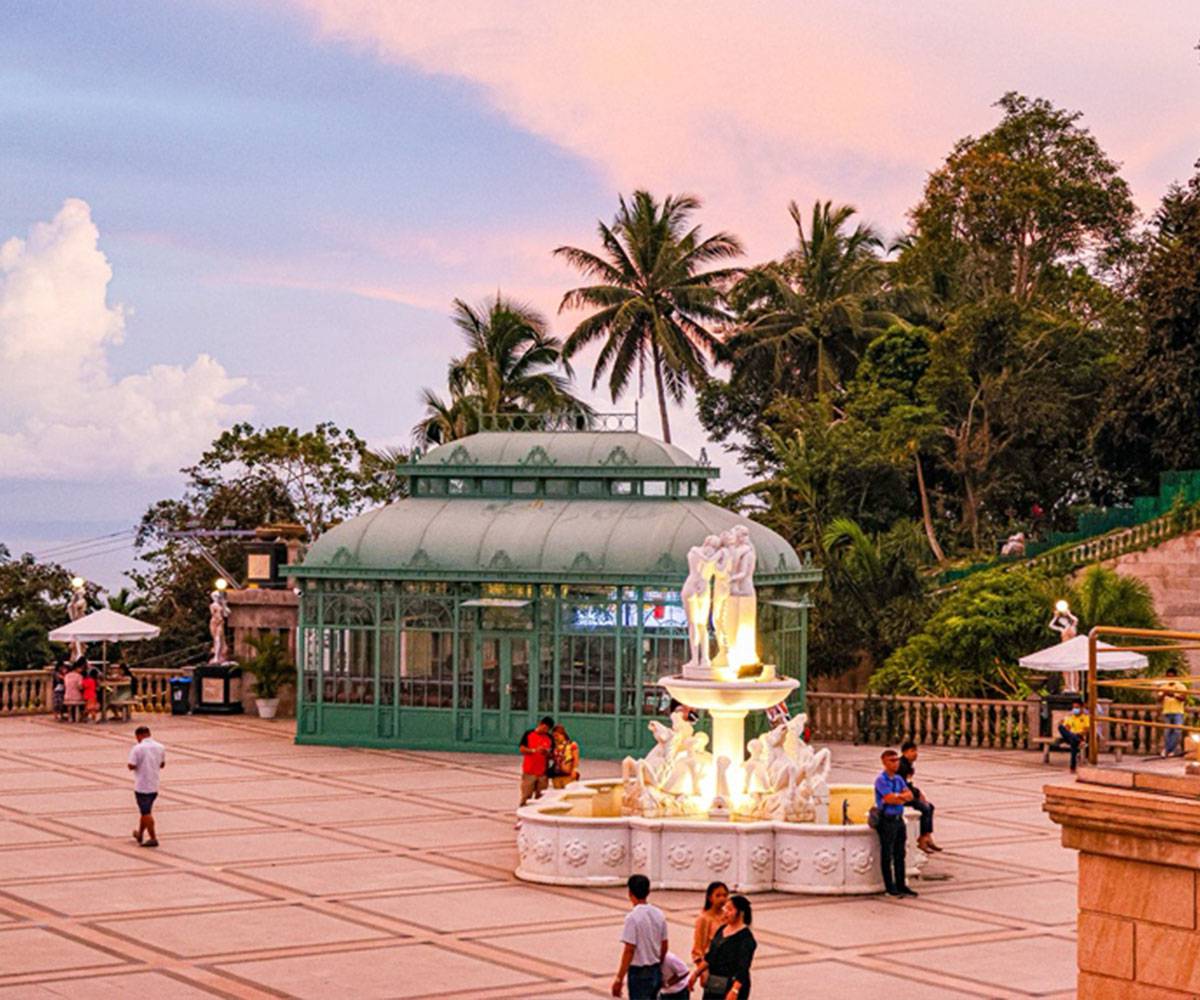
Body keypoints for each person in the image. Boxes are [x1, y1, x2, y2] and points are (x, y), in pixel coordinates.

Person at [612, 873, 668, 999]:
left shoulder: (632, 918)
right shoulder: (659, 914)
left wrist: (619, 978)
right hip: (655, 968)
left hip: (638, 972)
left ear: (630, 893)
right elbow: (664, 945)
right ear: (648, 892)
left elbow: (629, 949)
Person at [690, 894, 756, 999]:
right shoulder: (722, 929)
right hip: (715, 982)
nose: (725, 912)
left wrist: (734, 990)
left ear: (740, 913)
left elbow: (743, 968)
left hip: (731, 984)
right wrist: (696, 974)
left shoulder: (746, 939)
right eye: (725, 908)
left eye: (730, 909)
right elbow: (711, 956)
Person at [875, 749, 917, 898]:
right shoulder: (881, 780)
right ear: (884, 762)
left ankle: (901, 884)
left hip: (899, 819)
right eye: (892, 761)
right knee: (887, 854)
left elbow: (910, 795)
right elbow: (888, 798)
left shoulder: (899, 779)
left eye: (897, 760)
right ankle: (889, 886)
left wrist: (898, 797)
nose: (896, 763)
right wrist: (900, 797)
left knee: (900, 853)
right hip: (887, 820)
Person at [898, 741, 941, 853]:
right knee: (925, 808)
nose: (915, 754)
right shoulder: (902, 766)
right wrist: (916, 794)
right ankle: (922, 839)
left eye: (916, 751)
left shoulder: (908, 764)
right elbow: (903, 785)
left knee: (930, 807)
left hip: (909, 793)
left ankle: (927, 836)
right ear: (905, 752)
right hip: (902, 796)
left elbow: (909, 783)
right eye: (912, 751)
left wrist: (918, 792)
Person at [128, 725, 166, 847]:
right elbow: (162, 764)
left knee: (146, 812)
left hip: (142, 785)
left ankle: (153, 838)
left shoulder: (137, 748)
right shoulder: (161, 747)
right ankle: (140, 834)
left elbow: (131, 765)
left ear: (138, 736)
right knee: (145, 810)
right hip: (154, 784)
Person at [518, 716, 554, 806]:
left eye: (548, 729)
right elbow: (522, 749)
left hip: (542, 773)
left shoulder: (549, 738)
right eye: (545, 728)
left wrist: (547, 753)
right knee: (526, 796)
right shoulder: (529, 734)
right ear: (540, 724)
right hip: (529, 771)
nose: (545, 731)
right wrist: (534, 750)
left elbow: (552, 754)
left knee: (541, 797)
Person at [692, 880, 729, 963]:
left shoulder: (727, 916)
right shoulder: (703, 919)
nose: (722, 899)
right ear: (710, 898)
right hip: (711, 964)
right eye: (718, 896)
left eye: (725, 895)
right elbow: (698, 949)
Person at [1156, 667, 1189, 758]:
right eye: (1168, 676)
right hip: (1167, 711)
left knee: (1177, 731)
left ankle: (1168, 750)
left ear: (1175, 676)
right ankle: (1169, 750)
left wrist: (1173, 694)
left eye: (1172, 676)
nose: (1170, 678)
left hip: (1178, 712)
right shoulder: (1163, 687)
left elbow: (1183, 698)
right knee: (1167, 732)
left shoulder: (1181, 686)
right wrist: (1164, 694)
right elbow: (1158, 699)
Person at [1058, 701, 1089, 772]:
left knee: (1073, 742)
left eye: (1077, 707)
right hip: (1070, 736)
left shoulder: (1086, 718)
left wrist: (1077, 733)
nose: (1075, 709)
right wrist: (1062, 722)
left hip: (1079, 736)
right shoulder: (1070, 717)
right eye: (1074, 708)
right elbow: (1066, 729)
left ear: (1082, 708)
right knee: (1060, 727)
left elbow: (1086, 730)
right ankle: (1080, 742)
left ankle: (1072, 767)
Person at [550, 723, 580, 789]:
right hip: (557, 775)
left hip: (568, 775)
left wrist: (574, 770)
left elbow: (576, 758)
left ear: (562, 734)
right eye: (554, 736)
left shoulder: (572, 744)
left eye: (557, 736)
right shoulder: (554, 746)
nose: (555, 738)